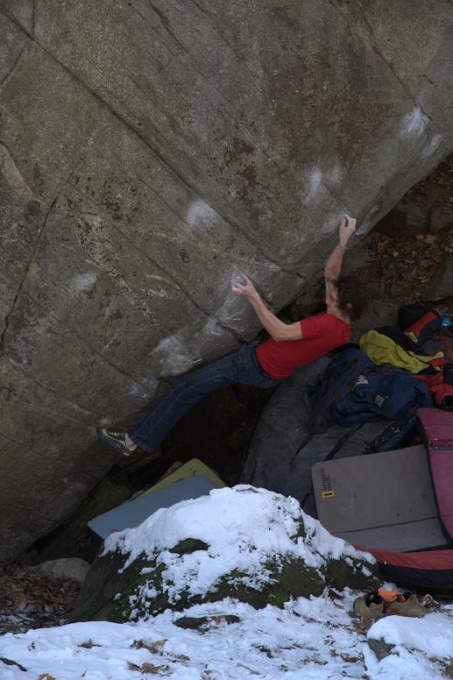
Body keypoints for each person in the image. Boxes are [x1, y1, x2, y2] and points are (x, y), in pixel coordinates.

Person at [96, 215, 366, 456]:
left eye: (334, 300)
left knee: (187, 388)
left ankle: (134, 442)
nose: (328, 301)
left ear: (348, 307)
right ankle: (138, 440)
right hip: (268, 369)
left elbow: (281, 332)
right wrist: (343, 241)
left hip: (254, 365)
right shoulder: (343, 328)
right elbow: (331, 273)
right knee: (192, 386)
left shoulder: (329, 326)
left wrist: (253, 298)